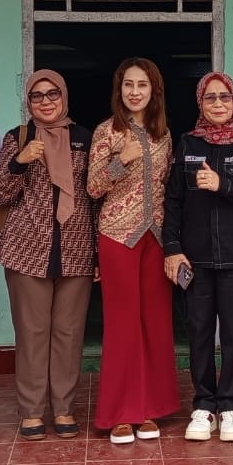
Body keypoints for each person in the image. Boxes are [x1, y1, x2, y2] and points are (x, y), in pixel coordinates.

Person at [0, 69, 96, 440]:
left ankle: (64, 408)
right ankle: (32, 411)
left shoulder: (85, 138)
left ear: (64, 97)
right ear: (28, 102)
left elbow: (98, 189)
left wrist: (121, 161)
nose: (46, 101)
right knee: (33, 333)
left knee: (69, 333)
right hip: (27, 249)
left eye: (53, 94)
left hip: (77, 250)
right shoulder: (18, 137)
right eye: (37, 96)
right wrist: (20, 160)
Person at [162, 72, 233, 442]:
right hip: (197, 260)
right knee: (200, 333)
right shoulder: (188, 143)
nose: (218, 104)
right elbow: (173, 200)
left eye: (224, 97)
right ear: (200, 103)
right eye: (210, 98)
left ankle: (231, 407)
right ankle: (204, 406)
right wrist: (173, 249)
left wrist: (223, 185)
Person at [87, 57, 179, 445]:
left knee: (156, 323)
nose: (135, 92)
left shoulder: (164, 135)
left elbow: (169, 187)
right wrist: (120, 161)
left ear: (153, 90)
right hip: (117, 236)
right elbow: (92, 187)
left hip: (155, 238)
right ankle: (121, 413)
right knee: (123, 324)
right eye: (128, 85)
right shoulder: (107, 132)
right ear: (119, 89)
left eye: (142, 85)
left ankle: (151, 409)